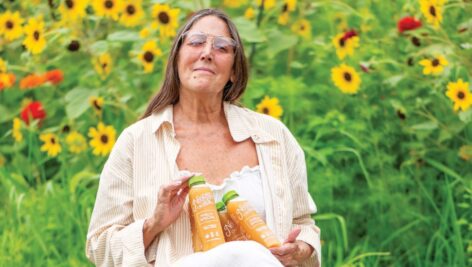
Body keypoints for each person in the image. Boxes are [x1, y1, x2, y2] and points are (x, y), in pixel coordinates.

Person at [86, 8, 321, 267]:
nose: (207, 53)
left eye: (222, 47)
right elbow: (99, 248)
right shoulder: (136, 142)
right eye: (196, 42)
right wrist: (154, 223)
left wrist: (299, 249)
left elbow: (304, 224)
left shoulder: (273, 137)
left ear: (234, 70)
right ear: (177, 59)